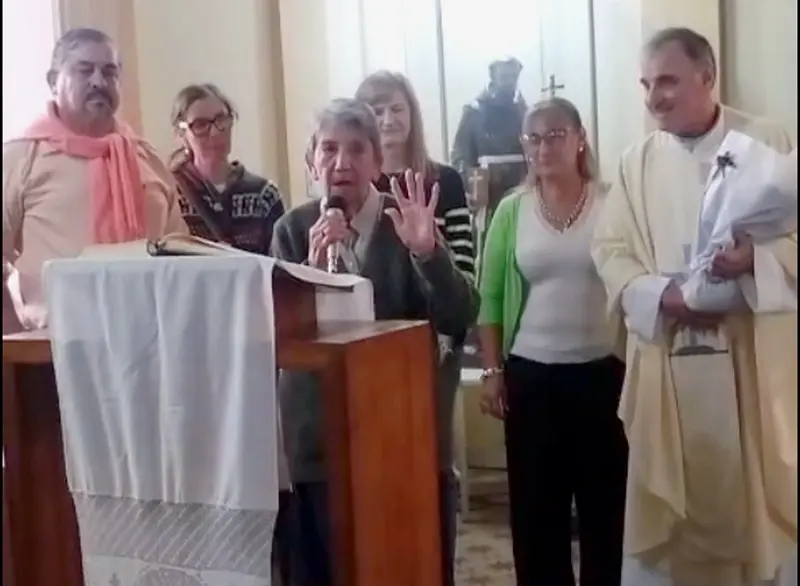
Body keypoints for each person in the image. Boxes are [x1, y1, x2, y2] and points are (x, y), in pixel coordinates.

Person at [591, 27, 797, 586]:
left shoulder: (766, 141)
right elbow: (610, 252)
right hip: (669, 360)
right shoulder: (636, 162)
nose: (654, 96)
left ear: (707, 78)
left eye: (667, 81)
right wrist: (668, 296)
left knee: (752, 518)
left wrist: (755, 260)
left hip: (746, 362)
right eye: (646, 83)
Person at [271, 98, 478, 586]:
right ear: (310, 161)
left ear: (377, 162)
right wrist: (311, 269)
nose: (341, 163)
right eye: (328, 149)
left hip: (397, 437)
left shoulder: (405, 221)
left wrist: (428, 254)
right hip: (314, 442)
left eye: (356, 149)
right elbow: (276, 335)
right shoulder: (292, 229)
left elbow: (458, 315)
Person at [478, 97, 627, 586]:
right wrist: (493, 370)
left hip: (602, 374)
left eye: (555, 135)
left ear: (580, 138)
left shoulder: (613, 202)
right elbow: (491, 297)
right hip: (531, 376)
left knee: (606, 509)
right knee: (537, 512)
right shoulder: (511, 211)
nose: (544, 147)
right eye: (533, 138)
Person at [355, 70, 473, 586]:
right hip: (366, 353)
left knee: (428, 472)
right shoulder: (358, 181)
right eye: (375, 110)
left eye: (396, 108)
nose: (387, 120)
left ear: (413, 113)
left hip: (430, 348)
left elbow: (464, 268)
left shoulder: (443, 180)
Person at [2, 28, 187, 334]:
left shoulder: (147, 158)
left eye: (109, 72)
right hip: (53, 350)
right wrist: (14, 337)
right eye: (84, 70)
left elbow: (180, 252)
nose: (99, 82)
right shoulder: (20, 157)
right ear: (53, 81)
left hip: (149, 339)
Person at [169, 83, 285, 254]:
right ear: (182, 134)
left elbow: (279, 266)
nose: (215, 132)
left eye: (221, 120)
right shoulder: (172, 194)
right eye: (200, 125)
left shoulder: (264, 195)